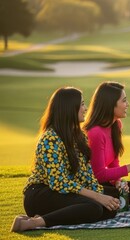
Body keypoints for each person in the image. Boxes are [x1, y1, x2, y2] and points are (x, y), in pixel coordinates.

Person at [11, 87, 120, 232]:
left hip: (64, 193)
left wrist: (103, 195)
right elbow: (58, 182)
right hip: (41, 194)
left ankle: (51, 216)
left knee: (109, 209)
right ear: (69, 108)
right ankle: (34, 222)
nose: (85, 108)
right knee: (94, 207)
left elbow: (87, 176)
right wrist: (97, 197)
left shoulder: (79, 137)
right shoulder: (50, 139)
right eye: (81, 104)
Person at [84, 82, 130, 206]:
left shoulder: (116, 125)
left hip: (103, 184)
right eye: (124, 101)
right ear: (110, 105)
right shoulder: (95, 133)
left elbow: (113, 162)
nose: (128, 104)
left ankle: (120, 200)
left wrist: (117, 181)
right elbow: (98, 175)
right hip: (89, 186)